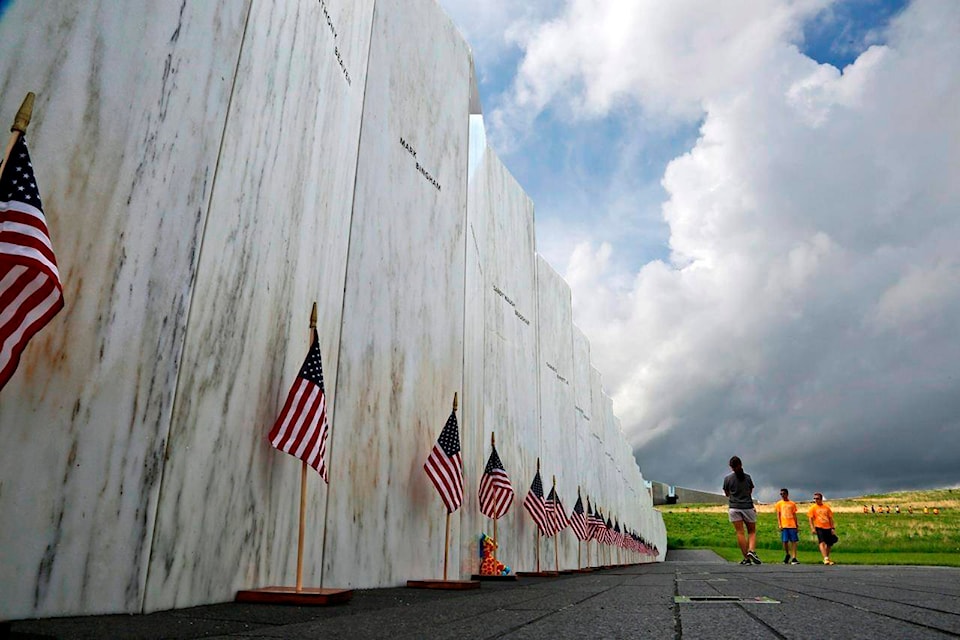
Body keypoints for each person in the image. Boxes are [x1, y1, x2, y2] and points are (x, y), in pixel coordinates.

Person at [723, 456, 761, 565]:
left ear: (731, 467)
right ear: (741, 464)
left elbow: (726, 494)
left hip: (734, 507)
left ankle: (746, 558)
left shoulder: (727, 479)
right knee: (752, 531)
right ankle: (751, 551)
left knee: (740, 532)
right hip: (747, 507)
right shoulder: (748, 478)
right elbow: (750, 492)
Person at [808, 492, 838, 565]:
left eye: (817, 498)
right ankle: (826, 558)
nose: (815, 500)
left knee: (829, 543)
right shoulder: (813, 508)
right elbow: (810, 518)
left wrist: (832, 528)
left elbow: (830, 518)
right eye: (814, 498)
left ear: (821, 499)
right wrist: (812, 528)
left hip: (827, 527)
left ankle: (826, 558)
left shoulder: (826, 508)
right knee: (822, 542)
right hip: (819, 527)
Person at [775, 488, 800, 564]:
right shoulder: (779, 504)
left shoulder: (792, 503)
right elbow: (778, 515)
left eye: (783, 494)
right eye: (781, 494)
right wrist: (780, 524)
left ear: (787, 494)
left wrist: (796, 525)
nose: (782, 495)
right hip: (784, 524)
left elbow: (794, 514)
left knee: (794, 541)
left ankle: (794, 557)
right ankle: (787, 554)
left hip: (792, 524)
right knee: (785, 541)